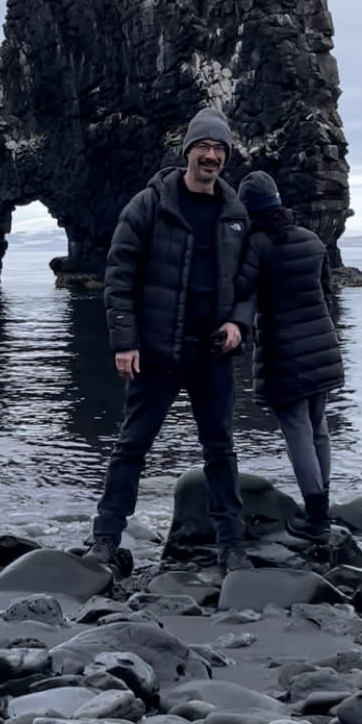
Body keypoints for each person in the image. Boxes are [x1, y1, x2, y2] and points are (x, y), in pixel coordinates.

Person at [84, 109, 256, 572]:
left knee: (220, 448)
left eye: (220, 149)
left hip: (213, 353)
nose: (212, 156)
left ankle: (231, 545)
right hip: (157, 351)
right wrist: (125, 342)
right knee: (132, 445)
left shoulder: (235, 213)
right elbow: (119, 275)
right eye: (204, 147)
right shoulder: (149, 205)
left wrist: (240, 323)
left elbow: (247, 282)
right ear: (188, 152)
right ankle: (105, 538)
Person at [236, 170, 344, 551]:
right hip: (323, 344)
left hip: (284, 350)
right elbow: (327, 291)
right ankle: (323, 506)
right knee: (319, 428)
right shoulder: (313, 240)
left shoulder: (258, 245)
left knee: (296, 430)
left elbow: (242, 290)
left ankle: (315, 518)